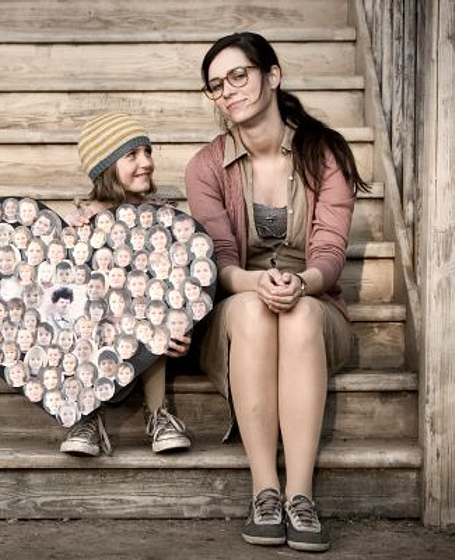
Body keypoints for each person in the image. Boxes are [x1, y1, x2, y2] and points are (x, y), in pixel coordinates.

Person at [184, 32, 368, 552]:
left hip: (314, 298)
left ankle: (300, 496)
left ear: (273, 75)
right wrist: (254, 282)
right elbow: (219, 260)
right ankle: (264, 490)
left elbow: (329, 255)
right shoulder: (205, 166)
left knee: (302, 315)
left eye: (239, 75)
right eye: (216, 85)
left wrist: (302, 284)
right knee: (251, 311)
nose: (228, 91)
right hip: (241, 300)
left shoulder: (323, 152)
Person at [58, 113, 192, 457]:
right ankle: (86, 414)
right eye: (132, 155)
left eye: (147, 152)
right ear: (106, 166)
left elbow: (181, 280)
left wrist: (184, 324)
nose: (146, 162)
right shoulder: (83, 220)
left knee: (153, 300)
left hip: (147, 330)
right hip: (98, 329)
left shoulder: (162, 218)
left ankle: (159, 413)